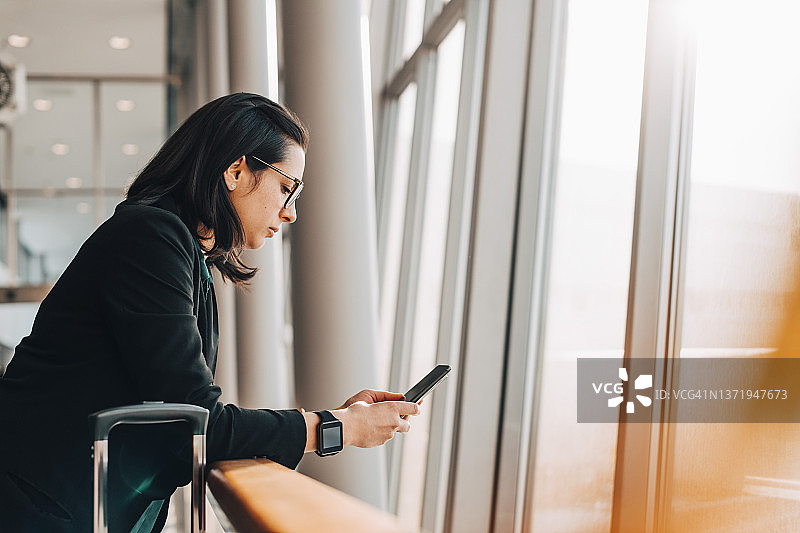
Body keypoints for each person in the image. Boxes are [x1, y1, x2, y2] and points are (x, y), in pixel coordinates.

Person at [0, 92, 419, 532]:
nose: (291, 212)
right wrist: (338, 428)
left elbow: (186, 413)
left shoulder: (179, 252)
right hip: (41, 508)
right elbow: (192, 420)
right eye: (287, 187)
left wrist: (339, 419)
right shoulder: (150, 237)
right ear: (236, 170)